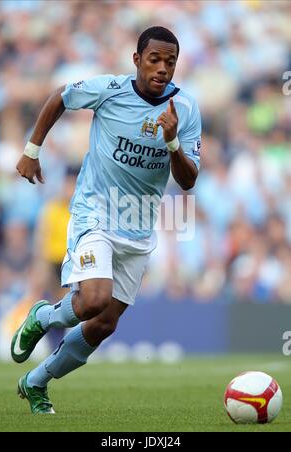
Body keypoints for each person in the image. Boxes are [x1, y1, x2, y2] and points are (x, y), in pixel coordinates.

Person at [11, 26, 202, 414]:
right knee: (93, 299)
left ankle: (36, 382)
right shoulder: (109, 90)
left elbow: (188, 180)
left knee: (103, 325)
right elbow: (60, 96)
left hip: (138, 226)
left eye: (170, 62)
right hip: (95, 212)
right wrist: (32, 149)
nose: (163, 68)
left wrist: (173, 143)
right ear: (137, 60)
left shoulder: (185, 110)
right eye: (154, 59)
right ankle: (44, 316)